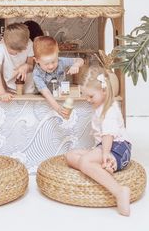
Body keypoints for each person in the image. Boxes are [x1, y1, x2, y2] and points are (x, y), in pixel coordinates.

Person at [66, 65, 132, 216]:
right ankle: (101, 168)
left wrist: (105, 154)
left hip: (118, 147)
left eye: (91, 96)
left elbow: (108, 135)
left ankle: (119, 191)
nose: (87, 100)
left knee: (84, 162)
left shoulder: (108, 110)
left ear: (104, 90)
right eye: (85, 95)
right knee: (70, 156)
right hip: (106, 146)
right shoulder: (100, 105)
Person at [33, 36, 84, 118]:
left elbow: (80, 60)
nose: (51, 66)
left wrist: (76, 65)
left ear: (57, 54)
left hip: (61, 96)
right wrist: (58, 109)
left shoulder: (61, 61)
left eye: (54, 61)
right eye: (46, 64)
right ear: (36, 60)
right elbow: (46, 93)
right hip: (45, 102)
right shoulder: (36, 74)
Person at [0, 23, 35, 101]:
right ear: (5, 43)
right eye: (13, 51)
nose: (16, 53)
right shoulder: (1, 47)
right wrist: (2, 93)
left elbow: (31, 66)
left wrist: (26, 66)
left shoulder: (29, 44)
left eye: (20, 51)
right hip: (9, 89)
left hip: (28, 88)